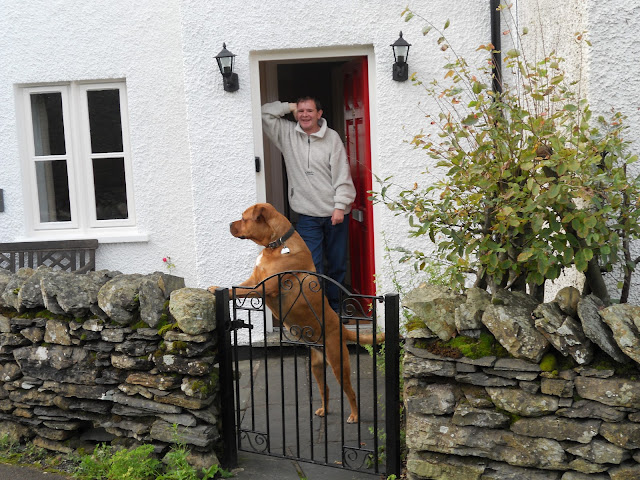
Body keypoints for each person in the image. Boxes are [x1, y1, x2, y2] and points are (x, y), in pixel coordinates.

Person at [261, 97, 356, 314]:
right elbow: (265, 113)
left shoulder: (332, 138)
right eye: (301, 110)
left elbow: (342, 173)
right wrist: (289, 107)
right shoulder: (287, 134)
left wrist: (340, 206)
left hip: (335, 212)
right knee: (311, 266)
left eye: (309, 110)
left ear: (319, 114)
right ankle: (317, 310)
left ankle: (336, 309)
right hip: (307, 215)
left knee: (337, 264)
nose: (305, 114)